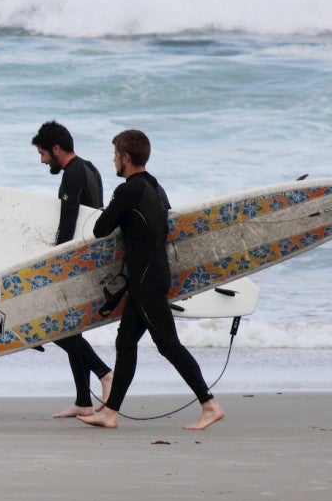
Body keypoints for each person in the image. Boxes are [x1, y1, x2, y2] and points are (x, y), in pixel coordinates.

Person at [77, 129, 224, 431]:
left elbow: (100, 229)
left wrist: (113, 212)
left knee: (168, 344)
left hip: (145, 282)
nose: (113, 160)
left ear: (126, 157)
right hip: (153, 275)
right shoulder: (157, 188)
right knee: (126, 342)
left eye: (115, 154)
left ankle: (209, 405)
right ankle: (110, 412)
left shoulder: (128, 190)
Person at [32, 121, 113, 419]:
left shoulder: (73, 173)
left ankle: (105, 374)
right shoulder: (90, 168)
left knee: (55, 328)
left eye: (42, 153)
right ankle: (83, 400)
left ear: (56, 148)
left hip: (75, 262)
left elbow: (68, 224)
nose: (42, 161)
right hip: (91, 258)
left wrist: (53, 264)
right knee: (70, 327)